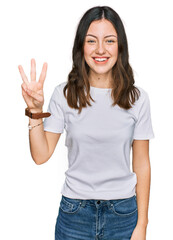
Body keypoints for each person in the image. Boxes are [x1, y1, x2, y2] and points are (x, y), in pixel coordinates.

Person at [18, 5, 154, 240]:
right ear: (81, 45)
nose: (100, 49)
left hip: (123, 215)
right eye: (92, 41)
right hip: (75, 215)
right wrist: (35, 111)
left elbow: (142, 164)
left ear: (120, 46)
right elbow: (40, 155)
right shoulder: (64, 94)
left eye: (109, 40)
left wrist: (142, 224)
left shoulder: (137, 99)